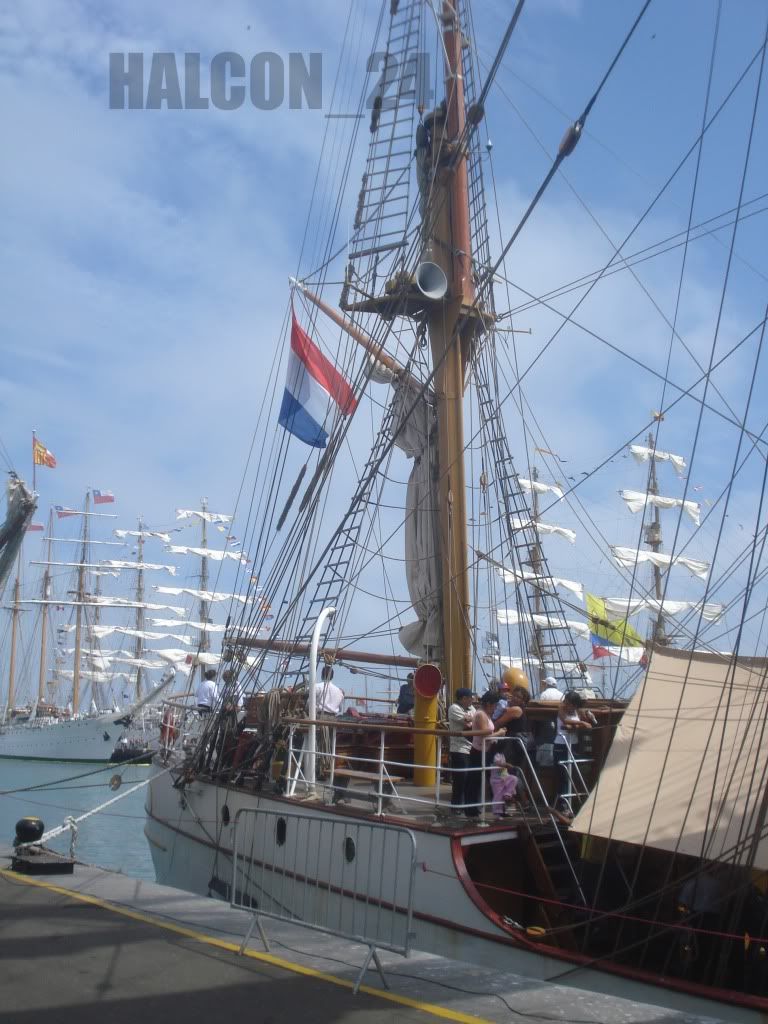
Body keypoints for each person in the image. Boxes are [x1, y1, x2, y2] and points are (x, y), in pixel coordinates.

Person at [465, 691, 506, 818]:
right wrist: (499, 733)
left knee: (496, 779)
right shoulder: (481, 715)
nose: (495, 708)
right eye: (494, 705)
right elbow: (485, 735)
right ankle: (471, 810)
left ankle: (498, 808)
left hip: (487, 751)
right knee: (475, 781)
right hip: (479, 752)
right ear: (488, 704)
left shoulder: (485, 714)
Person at [554, 690, 592, 815]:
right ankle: (563, 805)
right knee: (563, 774)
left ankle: (575, 803)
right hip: (561, 744)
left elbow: (581, 719)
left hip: (573, 744)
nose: (568, 706)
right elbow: (565, 721)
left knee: (574, 773)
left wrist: (584, 719)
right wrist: (581, 723)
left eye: (571, 704)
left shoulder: (577, 711)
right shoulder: (561, 710)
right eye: (567, 703)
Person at [447, 687, 474, 812]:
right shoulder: (454, 708)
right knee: (460, 779)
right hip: (459, 748)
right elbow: (468, 721)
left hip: (471, 748)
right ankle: (456, 806)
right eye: (470, 698)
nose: (472, 700)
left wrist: (471, 721)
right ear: (463, 698)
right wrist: (471, 720)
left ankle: (465, 806)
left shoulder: (471, 708)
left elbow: (474, 721)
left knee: (468, 779)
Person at [489, 752, 520, 818]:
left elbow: (503, 768)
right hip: (496, 779)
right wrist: (508, 765)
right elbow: (498, 763)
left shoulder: (502, 755)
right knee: (498, 795)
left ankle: (507, 794)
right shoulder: (495, 754)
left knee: (514, 779)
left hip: (503, 775)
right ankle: (497, 813)